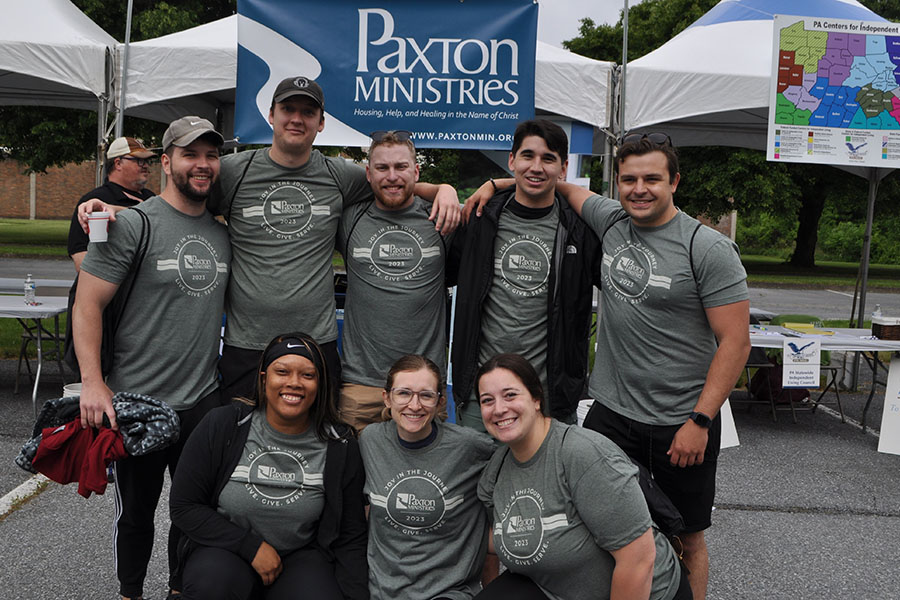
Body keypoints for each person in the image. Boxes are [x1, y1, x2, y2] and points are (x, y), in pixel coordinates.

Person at [499, 133, 748, 600]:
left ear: (674, 181)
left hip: (681, 422)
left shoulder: (707, 248)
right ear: (618, 183)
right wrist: (494, 184)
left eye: (652, 179)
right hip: (611, 416)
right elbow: (554, 185)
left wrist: (700, 420)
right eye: (629, 179)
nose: (640, 189)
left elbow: (735, 342)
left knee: (686, 537)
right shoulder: (611, 220)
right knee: (604, 528)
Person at [212, 77, 461, 400]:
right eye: (288, 109)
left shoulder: (340, 175)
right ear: (271, 114)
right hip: (247, 343)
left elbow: (391, 183)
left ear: (322, 123)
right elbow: (183, 202)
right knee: (239, 440)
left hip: (316, 343)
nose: (297, 119)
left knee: (314, 443)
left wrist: (444, 190)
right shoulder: (233, 171)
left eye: (308, 112)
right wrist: (125, 210)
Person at [74, 117, 230, 600]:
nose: (201, 165)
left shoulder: (225, 233)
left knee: (193, 510)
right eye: (190, 154)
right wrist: (93, 383)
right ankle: (130, 593)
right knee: (137, 513)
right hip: (137, 402)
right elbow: (87, 304)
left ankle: (180, 590)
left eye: (210, 155)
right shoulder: (132, 224)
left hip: (202, 400)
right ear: (166, 162)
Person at [474, 354, 690, 600]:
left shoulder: (582, 454)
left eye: (510, 395)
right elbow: (499, 536)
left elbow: (639, 559)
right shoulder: (496, 471)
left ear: (536, 399)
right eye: (487, 400)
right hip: (557, 588)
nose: (499, 409)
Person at [170, 332, 368, 600]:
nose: (294, 383)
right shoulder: (224, 424)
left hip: (300, 556)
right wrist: (251, 547)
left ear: (320, 384)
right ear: (264, 379)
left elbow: (350, 532)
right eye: (282, 372)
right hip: (226, 551)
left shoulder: (339, 443)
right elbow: (185, 506)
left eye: (308, 375)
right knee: (211, 586)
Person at [448, 119, 602, 430]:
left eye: (548, 159)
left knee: (549, 480)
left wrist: (497, 182)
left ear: (563, 167)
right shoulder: (480, 219)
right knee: (479, 479)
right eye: (528, 156)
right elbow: (439, 278)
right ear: (511, 160)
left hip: (548, 400)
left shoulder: (580, 231)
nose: (536, 166)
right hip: (483, 398)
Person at [337, 132, 453, 432]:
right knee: (351, 475)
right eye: (382, 168)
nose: (392, 177)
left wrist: (446, 189)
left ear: (416, 171)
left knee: (417, 478)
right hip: (361, 386)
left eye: (401, 167)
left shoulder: (442, 216)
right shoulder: (349, 218)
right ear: (368, 173)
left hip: (423, 389)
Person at [359, 355, 494, 599]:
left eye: (426, 395)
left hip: (449, 591)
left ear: (440, 402)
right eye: (403, 393)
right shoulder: (370, 440)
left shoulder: (469, 447)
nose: (414, 405)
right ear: (387, 398)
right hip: (380, 590)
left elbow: (518, 456)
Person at [68, 136, 155, 272]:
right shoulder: (95, 201)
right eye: (139, 160)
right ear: (118, 163)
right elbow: (81, 258)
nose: (145, 165)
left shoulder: (151, 198)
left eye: (147, 161)